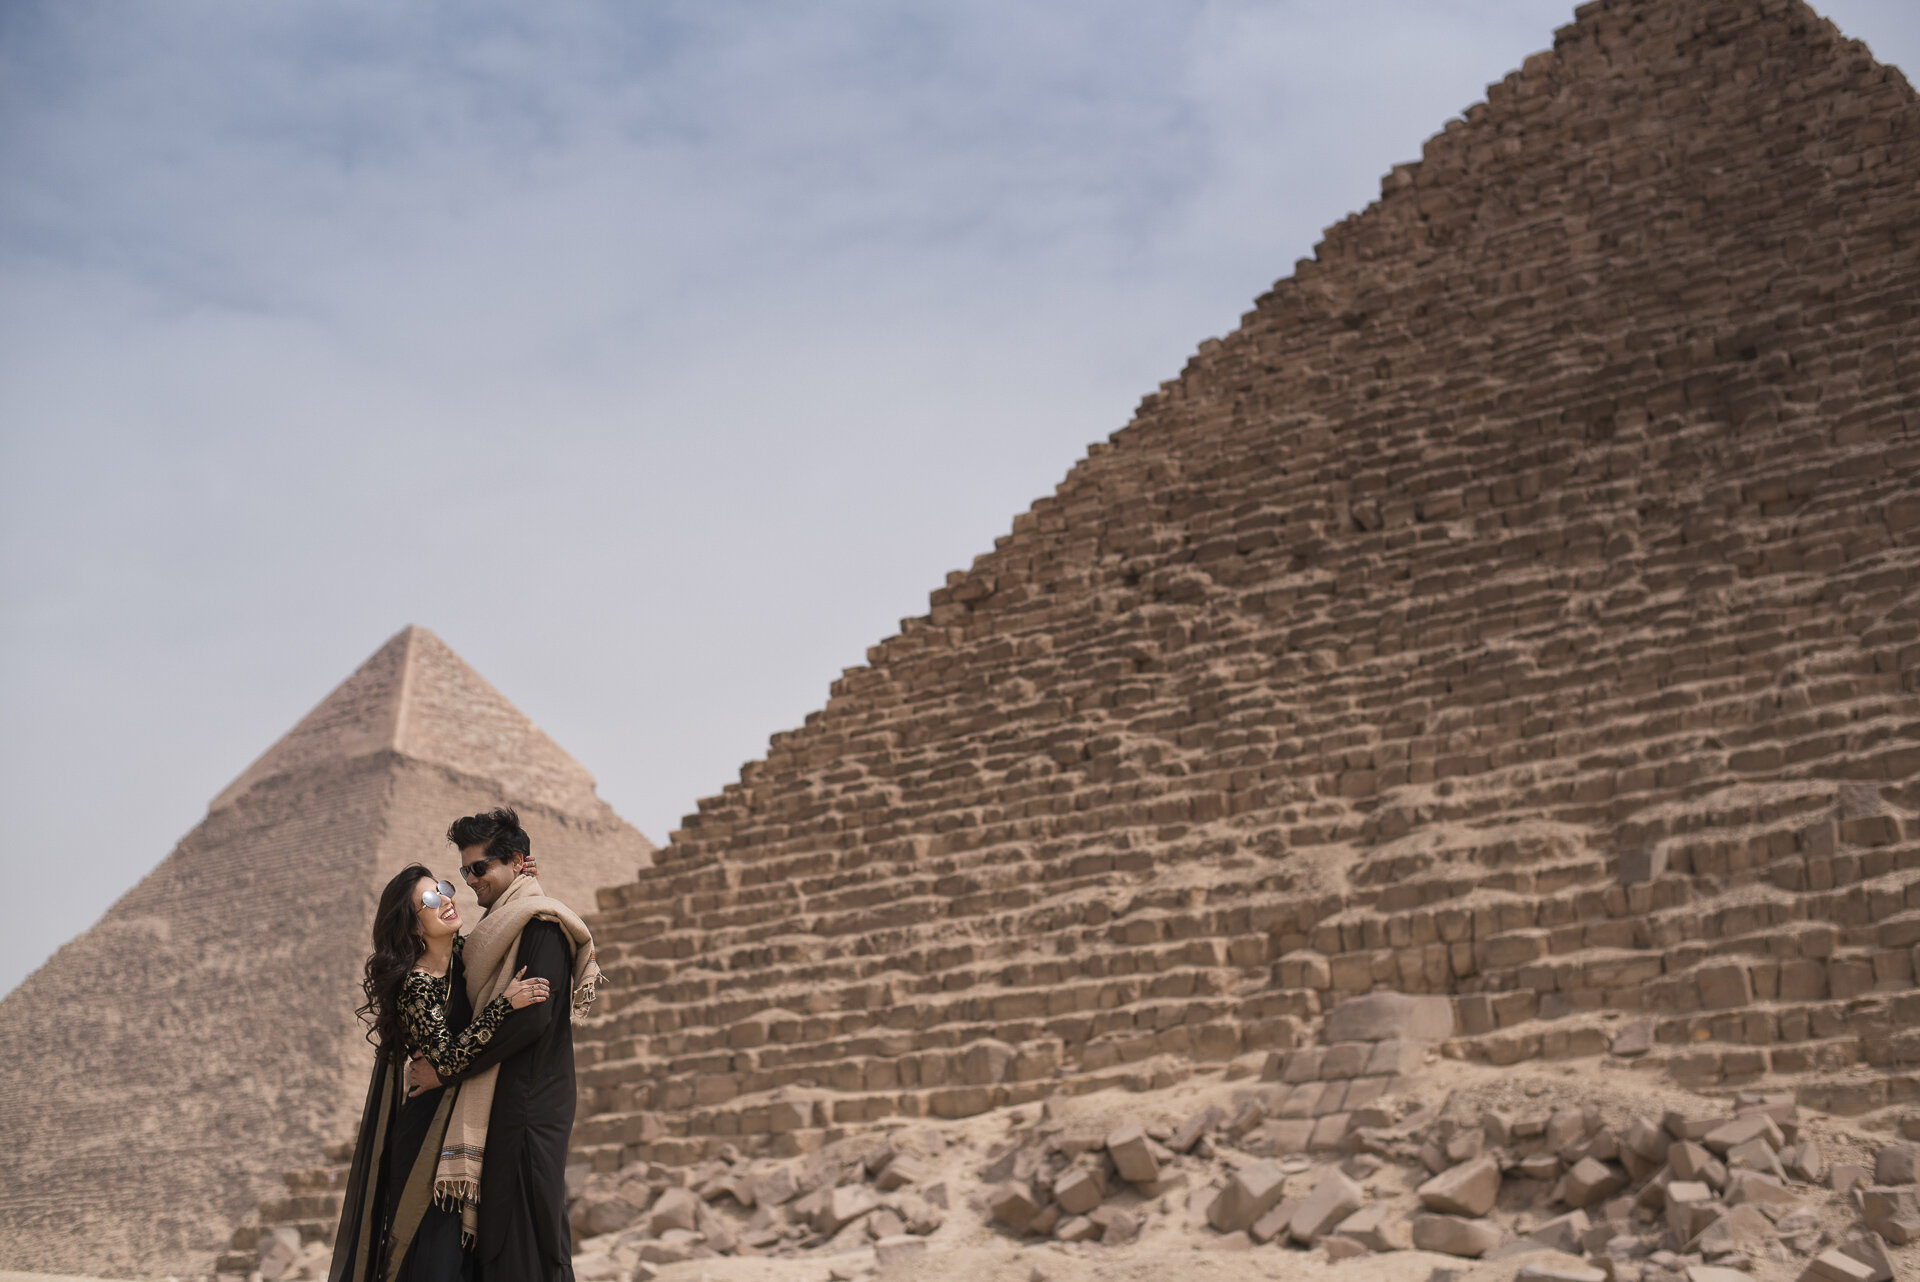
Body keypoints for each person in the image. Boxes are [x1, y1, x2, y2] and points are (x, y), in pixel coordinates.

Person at [405, 807, 602, 1282]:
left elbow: (531, 1021)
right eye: (463, 871)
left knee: (527, 1231)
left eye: (479, 869)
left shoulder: (541, 926)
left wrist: (447, 1069)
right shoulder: (500, 931)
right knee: (502, 1232)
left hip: (530, 1104)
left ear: (515, 862)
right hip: (506, 1101)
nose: (470, 882)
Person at [329, 865, 551, 1282]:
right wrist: (505, 1006)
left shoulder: (467, 957)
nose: (446, 899)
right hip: (426, 1136)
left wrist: (518, 880)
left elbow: (506, 926)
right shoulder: (418, 984)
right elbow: (447, 1060)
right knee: (435, 1257)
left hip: (464, 1120)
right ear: (413, 929)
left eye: (443, 889)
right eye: (429, 901)